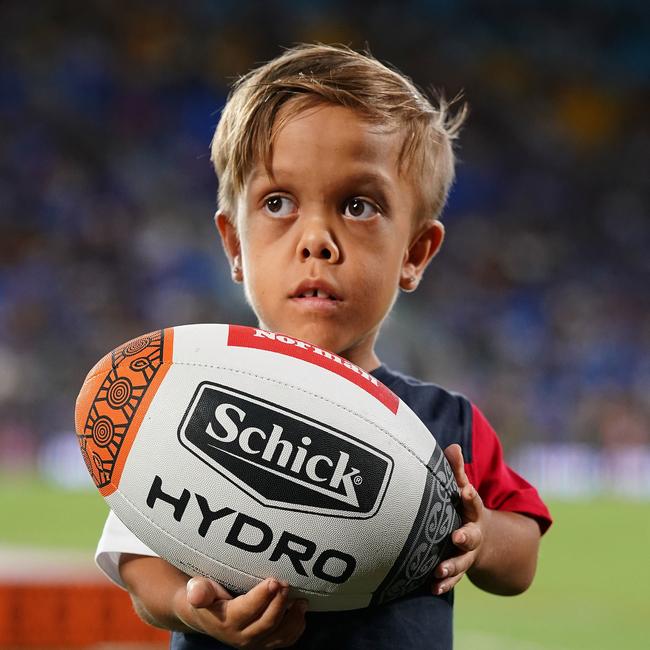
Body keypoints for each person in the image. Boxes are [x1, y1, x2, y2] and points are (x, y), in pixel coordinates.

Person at [95, 43, 552, 649]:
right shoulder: (179, 400)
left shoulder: (446, 430)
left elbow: (520, 559)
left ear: (415, 253)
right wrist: (189, 604)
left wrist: (479, 533)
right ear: (235, 245)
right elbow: (138, 560)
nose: (316, 239)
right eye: (278, 203)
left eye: (358, 206)